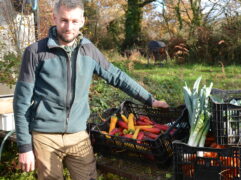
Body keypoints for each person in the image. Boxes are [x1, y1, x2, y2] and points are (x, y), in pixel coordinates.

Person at [13, 0, 169, 179]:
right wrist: (24, 147)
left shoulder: (88, 50)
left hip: (78, 134)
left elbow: (118, 77)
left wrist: (151, 100)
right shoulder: (35, 52)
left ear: (82, 21)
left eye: (74, 21)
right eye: (63, 20)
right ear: (54, 18)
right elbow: (22, 101)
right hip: (45, 135)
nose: (68, 27)